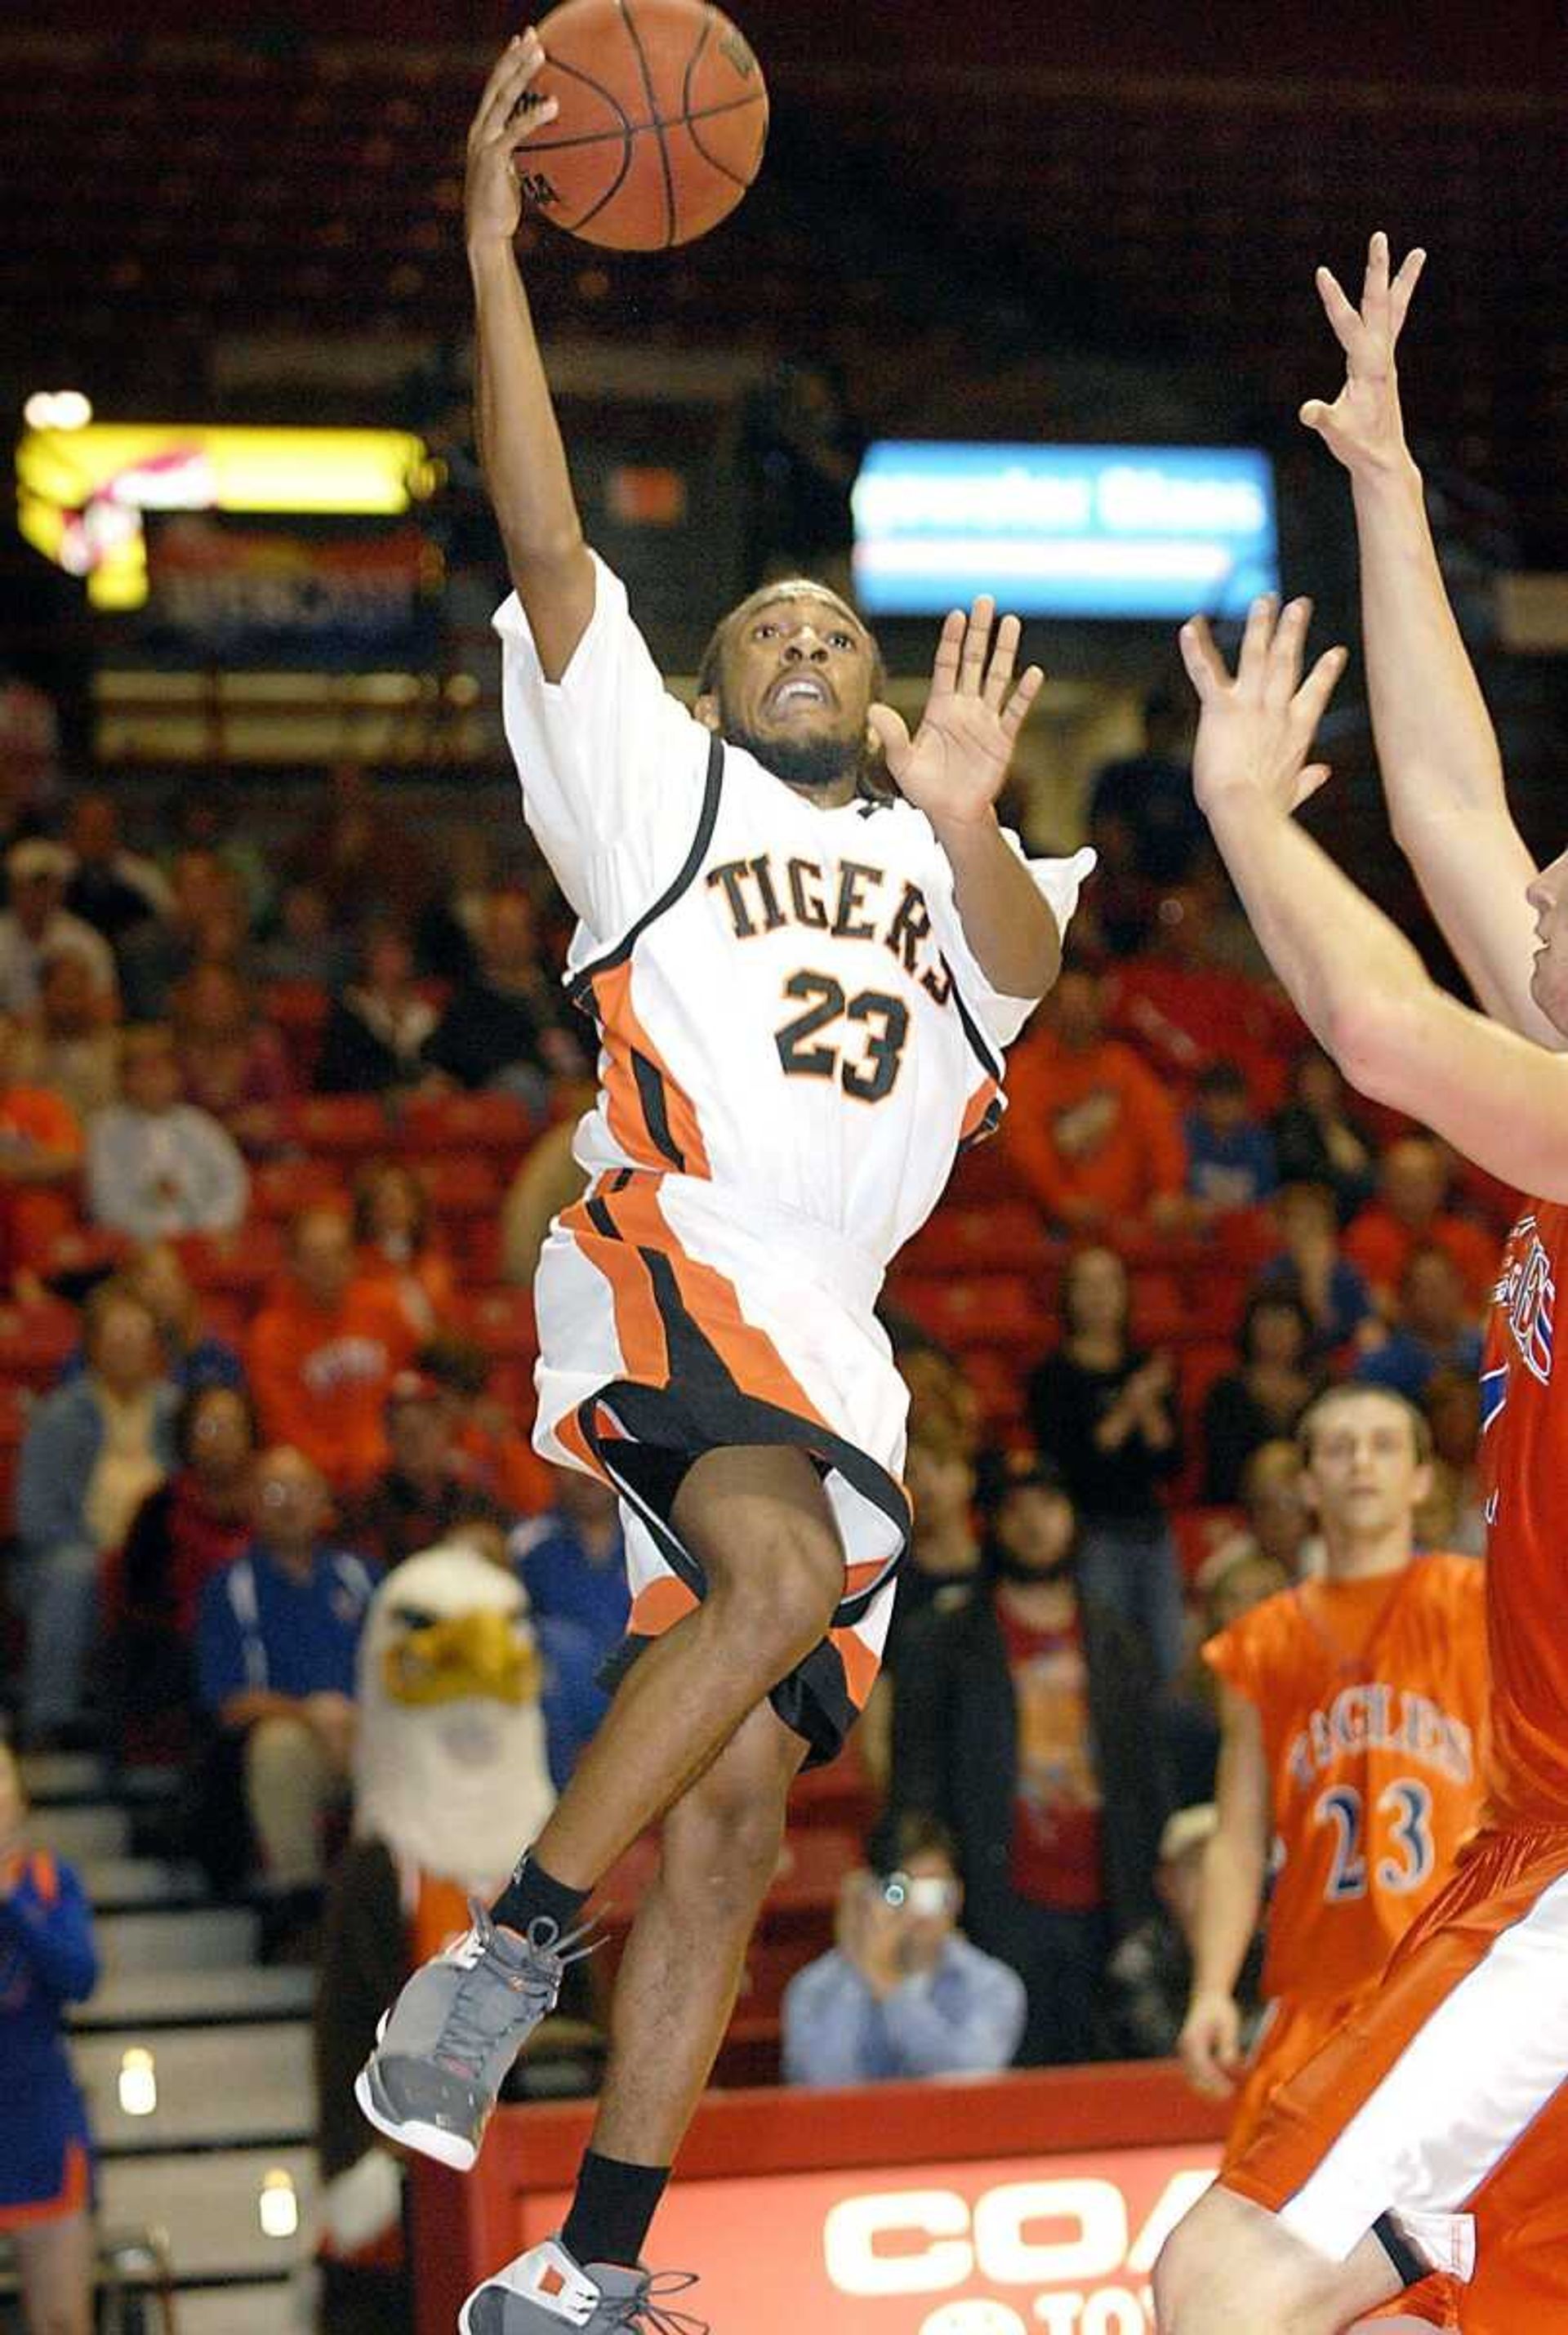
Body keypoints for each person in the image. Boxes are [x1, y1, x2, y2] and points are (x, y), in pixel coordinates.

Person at [355, 40, 1094, 2332]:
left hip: (836, 1324)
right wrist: (496, 262)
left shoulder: (944, 853)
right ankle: (499, 1953)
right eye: (769, 621)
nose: (805, 635)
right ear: (710, 675)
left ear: (881, 698)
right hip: (677, 1248)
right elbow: (549, 532)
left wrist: (972, 819)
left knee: (753, 1824)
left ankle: (583, 2269)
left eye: (836, 631)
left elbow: (1033, 966)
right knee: (776, 1556)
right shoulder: (651, 786)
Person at [1153, 233, 1568, 2335]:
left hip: (1565, 1872)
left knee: (1226, 2285)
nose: (1545, 887)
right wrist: (1387, 487)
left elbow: (1388, 1026)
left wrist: (1237, 817)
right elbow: (1442, 807)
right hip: (1533, 1842)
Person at [1178, 1385, 1487, 2284]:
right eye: (1339, 1448)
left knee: (1470, 2276)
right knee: (1255, 2274)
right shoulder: (1263, 1642)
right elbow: (1238, 1838)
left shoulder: (1481, 1601)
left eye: (1384, 1446)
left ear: (1423, 1477)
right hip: (1317, 2005)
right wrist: (1210, 1988)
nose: (1361, 1464)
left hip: (1451, 1995)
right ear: (1306, 1480)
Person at [889, 1452, 1168, 2068]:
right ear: (992, 1521)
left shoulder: (1119, 1640)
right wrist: (922, 1872)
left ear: (1073, 1518)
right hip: (998, 1901)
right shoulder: (945, 1641)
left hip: (1110, 1899)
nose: (1033, 1523)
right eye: (1015, 1508)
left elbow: (1149, 1778)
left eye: (1048, 1504)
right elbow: (916, 1778)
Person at [196, 1445, 380, 1936]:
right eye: (273, 1491)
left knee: (417, 1741)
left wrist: (357, 1718)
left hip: (367, 1730)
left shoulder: (361, 1576)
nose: (288, 1503)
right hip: (293, 1737)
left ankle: (392, 1900)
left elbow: (403, 1671)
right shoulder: (230, 1586)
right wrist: (310, 1713)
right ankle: (298, 1905)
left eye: (300, 1489)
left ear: (324, 1502)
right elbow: (227, 1702)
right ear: (250, 1505)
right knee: (279, 1749)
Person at [16, 1278, 179, 1745]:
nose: (128, 1349)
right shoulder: (58, 1416)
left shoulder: (176, 1412)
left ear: (154, 1347)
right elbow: (35, 1517)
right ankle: (52, 1719)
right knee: (73, 1572)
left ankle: (178, 1723)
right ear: (92, 1347)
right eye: (116, 1338)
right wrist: (101, 1554)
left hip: (159, 1551)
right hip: (76, 1553)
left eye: (138, 1338)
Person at [1027, 1245, 1186, 1682]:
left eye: (1110, 1283)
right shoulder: (1053, 1376)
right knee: (1108, 1659)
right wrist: (1131, 1406)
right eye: (1087, 1284)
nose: (1100, 1296)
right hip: (1094, 1532)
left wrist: (1148, 1409)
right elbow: (1067, 1465)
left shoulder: (1146, 1366)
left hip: (1153, 1530)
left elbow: (1172, 1462)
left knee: (1169, 1660)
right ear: (1068, 1295)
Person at [780, 1814, 1026, 2086]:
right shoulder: (814, 1988)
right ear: (873, 1894)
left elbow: (968, 2077)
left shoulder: (993, 1984)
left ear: (957, 1895)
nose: (919, 1913)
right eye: (901, 1891)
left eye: (933, 1890)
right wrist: (859, 1965)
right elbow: (823, 2084)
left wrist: (891, 1989)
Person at [0, 1742, 100, 2335]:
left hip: (39, 2111)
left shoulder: (47, 1881)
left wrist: (12, 1906)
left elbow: (79, 1975)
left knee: (61, 2317)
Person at [106, 1381, 258, 1761]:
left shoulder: (273, 1499)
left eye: (232, 1426)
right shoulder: (158, 1510)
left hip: (267, 1648)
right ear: (186, 1437)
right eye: (208, 1427)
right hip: (181, 1656)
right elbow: (137, 1604)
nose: (221, 1439)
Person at [1004, 964, 1188, 1236]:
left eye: (1084, 1005)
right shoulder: (1025, 1069)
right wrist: (1062, 1200)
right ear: (1046, 1010)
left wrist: (1168, 1190)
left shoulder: (1122, 1065)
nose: (1076, 1016)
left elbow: (1160, 1129)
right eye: (1067, 1006)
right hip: (1052, 1226)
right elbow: (1024, 1144)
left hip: (1130, 1223)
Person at [246, 1205, 416, 1496]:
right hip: (320, 1485)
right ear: (293, 1264)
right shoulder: (269, 1335)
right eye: (315, 1257)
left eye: (338, 1253)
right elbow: (285, 1429)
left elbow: (412, 1386)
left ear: (353, 1258)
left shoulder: (386, 1308)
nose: (328, 1266)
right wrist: (350, 1469)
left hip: (395, 1473)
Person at [1100, 1803, 1263, 2064]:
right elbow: (1151, 2044)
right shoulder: (1140, 1961)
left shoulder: (1276, 1948)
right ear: (1166, 1882)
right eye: (1196, 1867)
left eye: (1226, 1870)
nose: (1212, 1882)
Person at [423, 885, 586, 1110]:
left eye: (521, 929)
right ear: (487, 936)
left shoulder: (561, 990)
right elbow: (463, 1060)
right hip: (518, 1107)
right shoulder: (469, 1002)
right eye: (503, 930)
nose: (512, 939)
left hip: (581, 1096)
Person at [86, 1023, 249, 1241]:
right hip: (135, 1241)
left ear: (177, 1076)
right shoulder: (107, 1129)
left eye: (160, 1071)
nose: (152, 1081)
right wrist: (151, 1231)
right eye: (141, 1072)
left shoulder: (199, 1124)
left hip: (202, 1235)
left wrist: (208, 1228)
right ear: (125, 1079)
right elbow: (105, 1200)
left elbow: (232, 1182)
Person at [351, 1370, 511, 1571]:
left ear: (446, 1431)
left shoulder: (473, 1496)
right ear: (388, 1438)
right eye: (403, 1431)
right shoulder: (368, 1504)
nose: (416, 1442)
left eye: (425, 1428)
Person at [1343, 1134, 1498, 1319]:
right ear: (1385, 1184)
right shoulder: (1363, 1239)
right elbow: (1372, 1304)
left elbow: (1494, 1299)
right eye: (1403, 1179)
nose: (1413, 1189)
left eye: (1422, 1180)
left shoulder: (1469, 1238)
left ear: (1441, 1185)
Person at [1199, 1290, 1320, 1506]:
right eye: (1267, 1321)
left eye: (1285, 1321)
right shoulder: (1227, 1392)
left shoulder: (1326, 1391)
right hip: (1241, 1509)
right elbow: (1221, 1471)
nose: (1275, 1331)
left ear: (1303, 1331)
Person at [509, 1464, 630, 1678]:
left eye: (595, 1462)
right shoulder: (526, 1542)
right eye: (571, 1462)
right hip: (558, 1689)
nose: (585, 1473)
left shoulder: (653, 1544)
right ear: (553, 1468)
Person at [314, 920, 439, 1097]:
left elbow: (437, 1065)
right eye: (382, 953)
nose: (390, 962)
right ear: (368, 959)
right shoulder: (351, 1009)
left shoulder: (425, 1014)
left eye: (397, 952)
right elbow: (341, 1072)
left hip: (422, 1106)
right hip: (366, 1108)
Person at [1353, 1244, 1482, 1404]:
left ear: (1461, 1288)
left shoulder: (1488, 1355)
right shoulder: (1380, 1369)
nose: (1437, 1295)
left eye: (1444, 1284)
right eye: (1425, 1288)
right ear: (1405, 1299)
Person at [0, 839, 115, 1018]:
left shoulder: (85, 940)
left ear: (60, 891)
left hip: (70, 1036)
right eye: (30, 887)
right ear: (12, 889)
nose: (38, 897)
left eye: (46, 888)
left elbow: (108, 1006)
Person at [13, 947, 121, 1124]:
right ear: (45, 996)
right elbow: (21, 1099)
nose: (74, 1004)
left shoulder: (115, 1046)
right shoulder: (21, 1046)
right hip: (41, 1144)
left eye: (81, 993)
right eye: (65, 993)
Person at [352, 1159, 457, 1339]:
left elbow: (446, 1326)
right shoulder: (355, 1265)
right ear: (368, 1211)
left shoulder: (434, 1267)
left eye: (402, 1196)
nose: (394, 1204)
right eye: (384, 1197)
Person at [1270, 1049, 1378, 1223]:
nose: (1318, 1085)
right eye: (1311, 1079)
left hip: (1355, 1204)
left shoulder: (1353, 1123)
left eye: (1323, 1078)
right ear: (1298, 1084)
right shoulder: (1289, 1122)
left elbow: (1373, 1162)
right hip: (1314, 1203)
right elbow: (1301, 1166)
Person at [1184, 1058, 1277, 1223]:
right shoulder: (1185, 1136)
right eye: (1217, 1097)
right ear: (1202, 1100)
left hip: (1246, 1228)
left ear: (1244, 1102)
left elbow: (1266, 1196)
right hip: (1196, 1229)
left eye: (1232, 1098)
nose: (1224, 1106)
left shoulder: (1259, 1142)